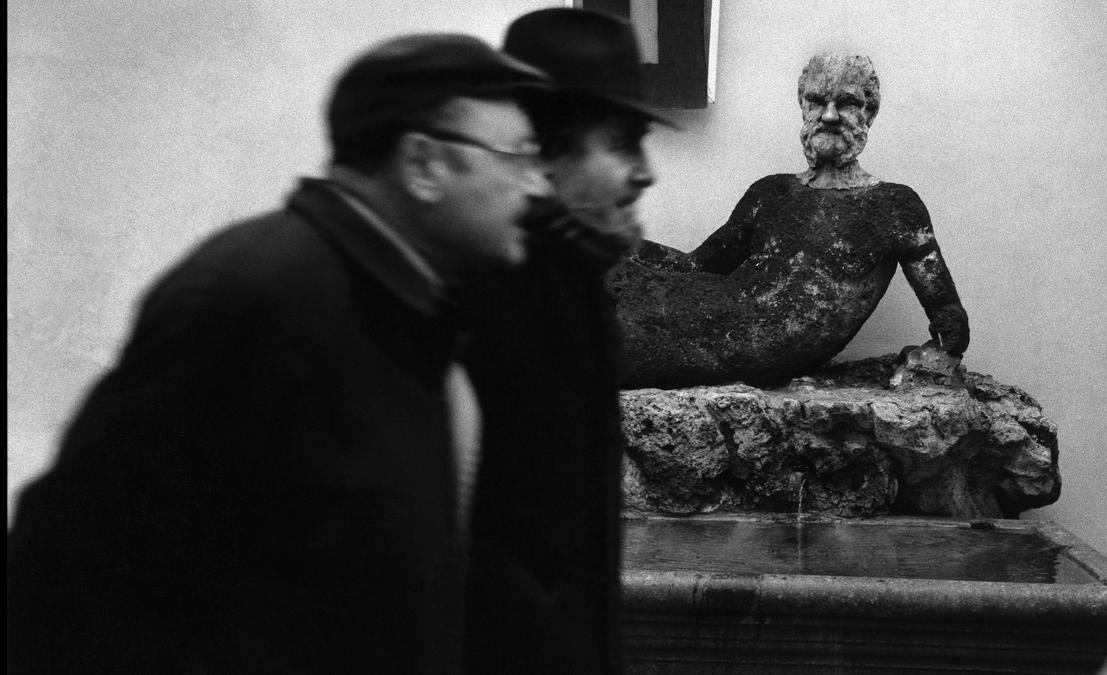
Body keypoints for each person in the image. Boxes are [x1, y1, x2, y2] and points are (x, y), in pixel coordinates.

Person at [7, 34, 551, 674]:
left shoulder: (410, 311)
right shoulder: (260, 297)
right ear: (424, 165)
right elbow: (73, 565)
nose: (538, 186)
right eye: (518, 156)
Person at [456, 9, 674, 674]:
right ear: (544, 157)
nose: (646, 173)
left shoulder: (569, 283)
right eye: (622, 144)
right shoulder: (492, 296)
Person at [611, 51, 970, 388]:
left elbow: (949, 319)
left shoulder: (893, 205)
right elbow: (696, 266)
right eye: (817, 101)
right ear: (803, 107)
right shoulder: (771, 192)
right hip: (713, 310)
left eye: (845, 103)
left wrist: (940, 355)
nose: (829, 116)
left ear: (869, 112)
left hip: (748, 342)